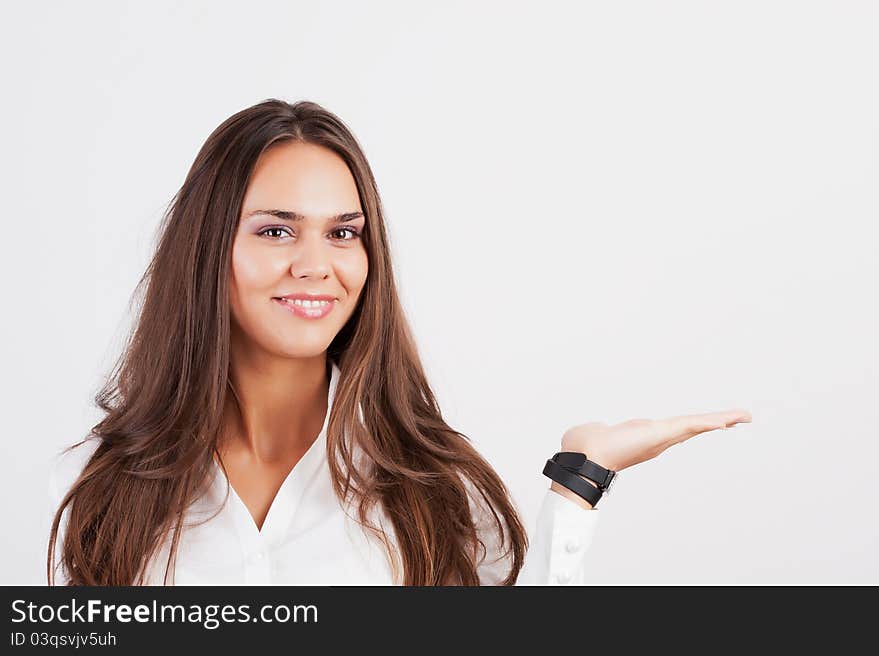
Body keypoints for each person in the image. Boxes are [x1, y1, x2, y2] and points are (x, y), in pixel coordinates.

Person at [46, 99, 751, 586]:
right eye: (276, 230)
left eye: (343, 232)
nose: (316, 264)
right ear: (207, 250)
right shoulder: (99, 486)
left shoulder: (429, 485)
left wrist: (580, 478)